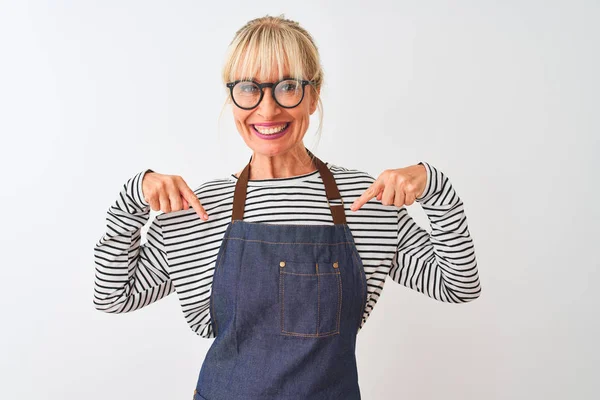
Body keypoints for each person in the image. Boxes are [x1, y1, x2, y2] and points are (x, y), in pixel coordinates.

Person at [93, 15, 481, 400]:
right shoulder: (196, 210)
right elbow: (113, 296)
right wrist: (133, 197)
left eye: (288, 87)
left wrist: (434, 187)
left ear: (313, 96)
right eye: (249, 89)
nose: (267, 110)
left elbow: (458, 286)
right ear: (232, 98)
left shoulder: (364, 201)